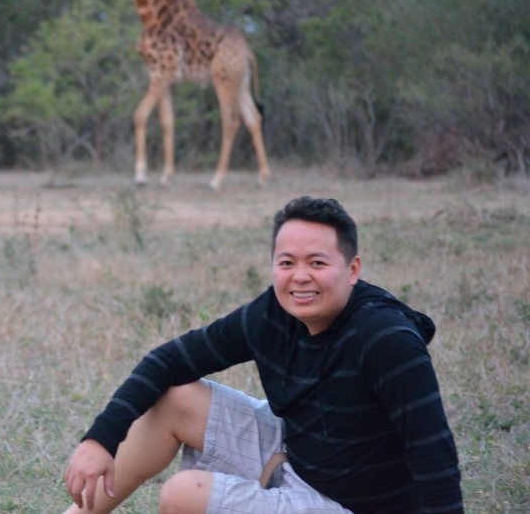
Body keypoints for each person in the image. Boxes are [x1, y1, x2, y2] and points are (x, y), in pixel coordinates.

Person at [62, 196, 464, 514]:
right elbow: (169, 360)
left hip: (353, 505)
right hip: (302, 454)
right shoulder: (273, 313)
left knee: (183, 496)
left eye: (318, 263)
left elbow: (433, 451)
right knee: (176, 397)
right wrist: (100, 440)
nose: (300, 276)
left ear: (353, 269)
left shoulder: (385, 338)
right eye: (287, 262)